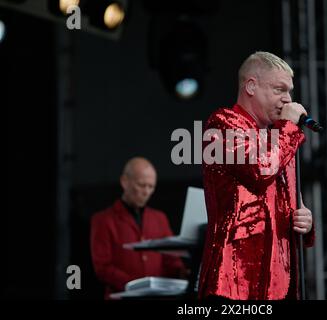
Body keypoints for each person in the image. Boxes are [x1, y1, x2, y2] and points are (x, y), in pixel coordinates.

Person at [198, 51, 315, 300]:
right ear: (251, 86)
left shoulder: (281, 138)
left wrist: (305, 219)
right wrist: (289, 129)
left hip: (280, 283)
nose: (288, 99)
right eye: (279, 89)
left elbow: (291, 203)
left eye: (289, 91)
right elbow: (260, 170)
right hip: (234, 281)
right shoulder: (222, 124)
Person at [90, 157, 186, 299]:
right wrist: (135, 285)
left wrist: (183, 272)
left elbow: (171, 260)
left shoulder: (160, 218)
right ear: (124, 182)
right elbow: (103, 267)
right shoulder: (103, 220)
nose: (146, 192)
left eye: (151, 186)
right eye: (141, 185)